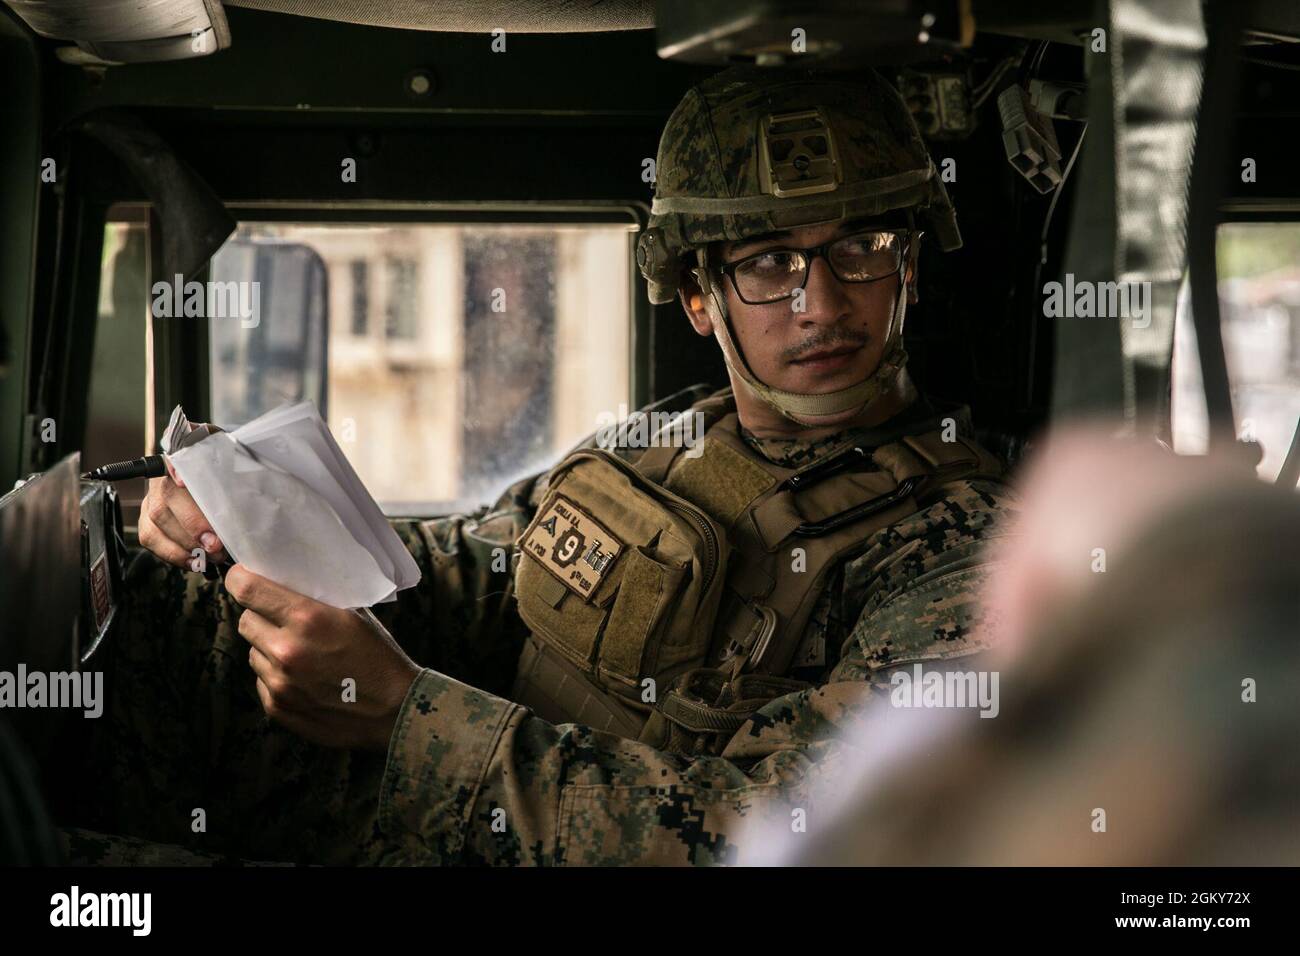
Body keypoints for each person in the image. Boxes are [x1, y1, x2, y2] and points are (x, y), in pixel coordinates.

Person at [65, 66, 1017, 866]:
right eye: (769, 262)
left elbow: (784, 838)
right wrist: (245, 521)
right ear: (697, 296)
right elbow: (467, 575)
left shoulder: (964, 549)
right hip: (447, 823)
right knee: (158, 601)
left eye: (861, 247)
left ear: (912, 265)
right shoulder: (667, 440)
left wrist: (407, 719)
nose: (819, 305)